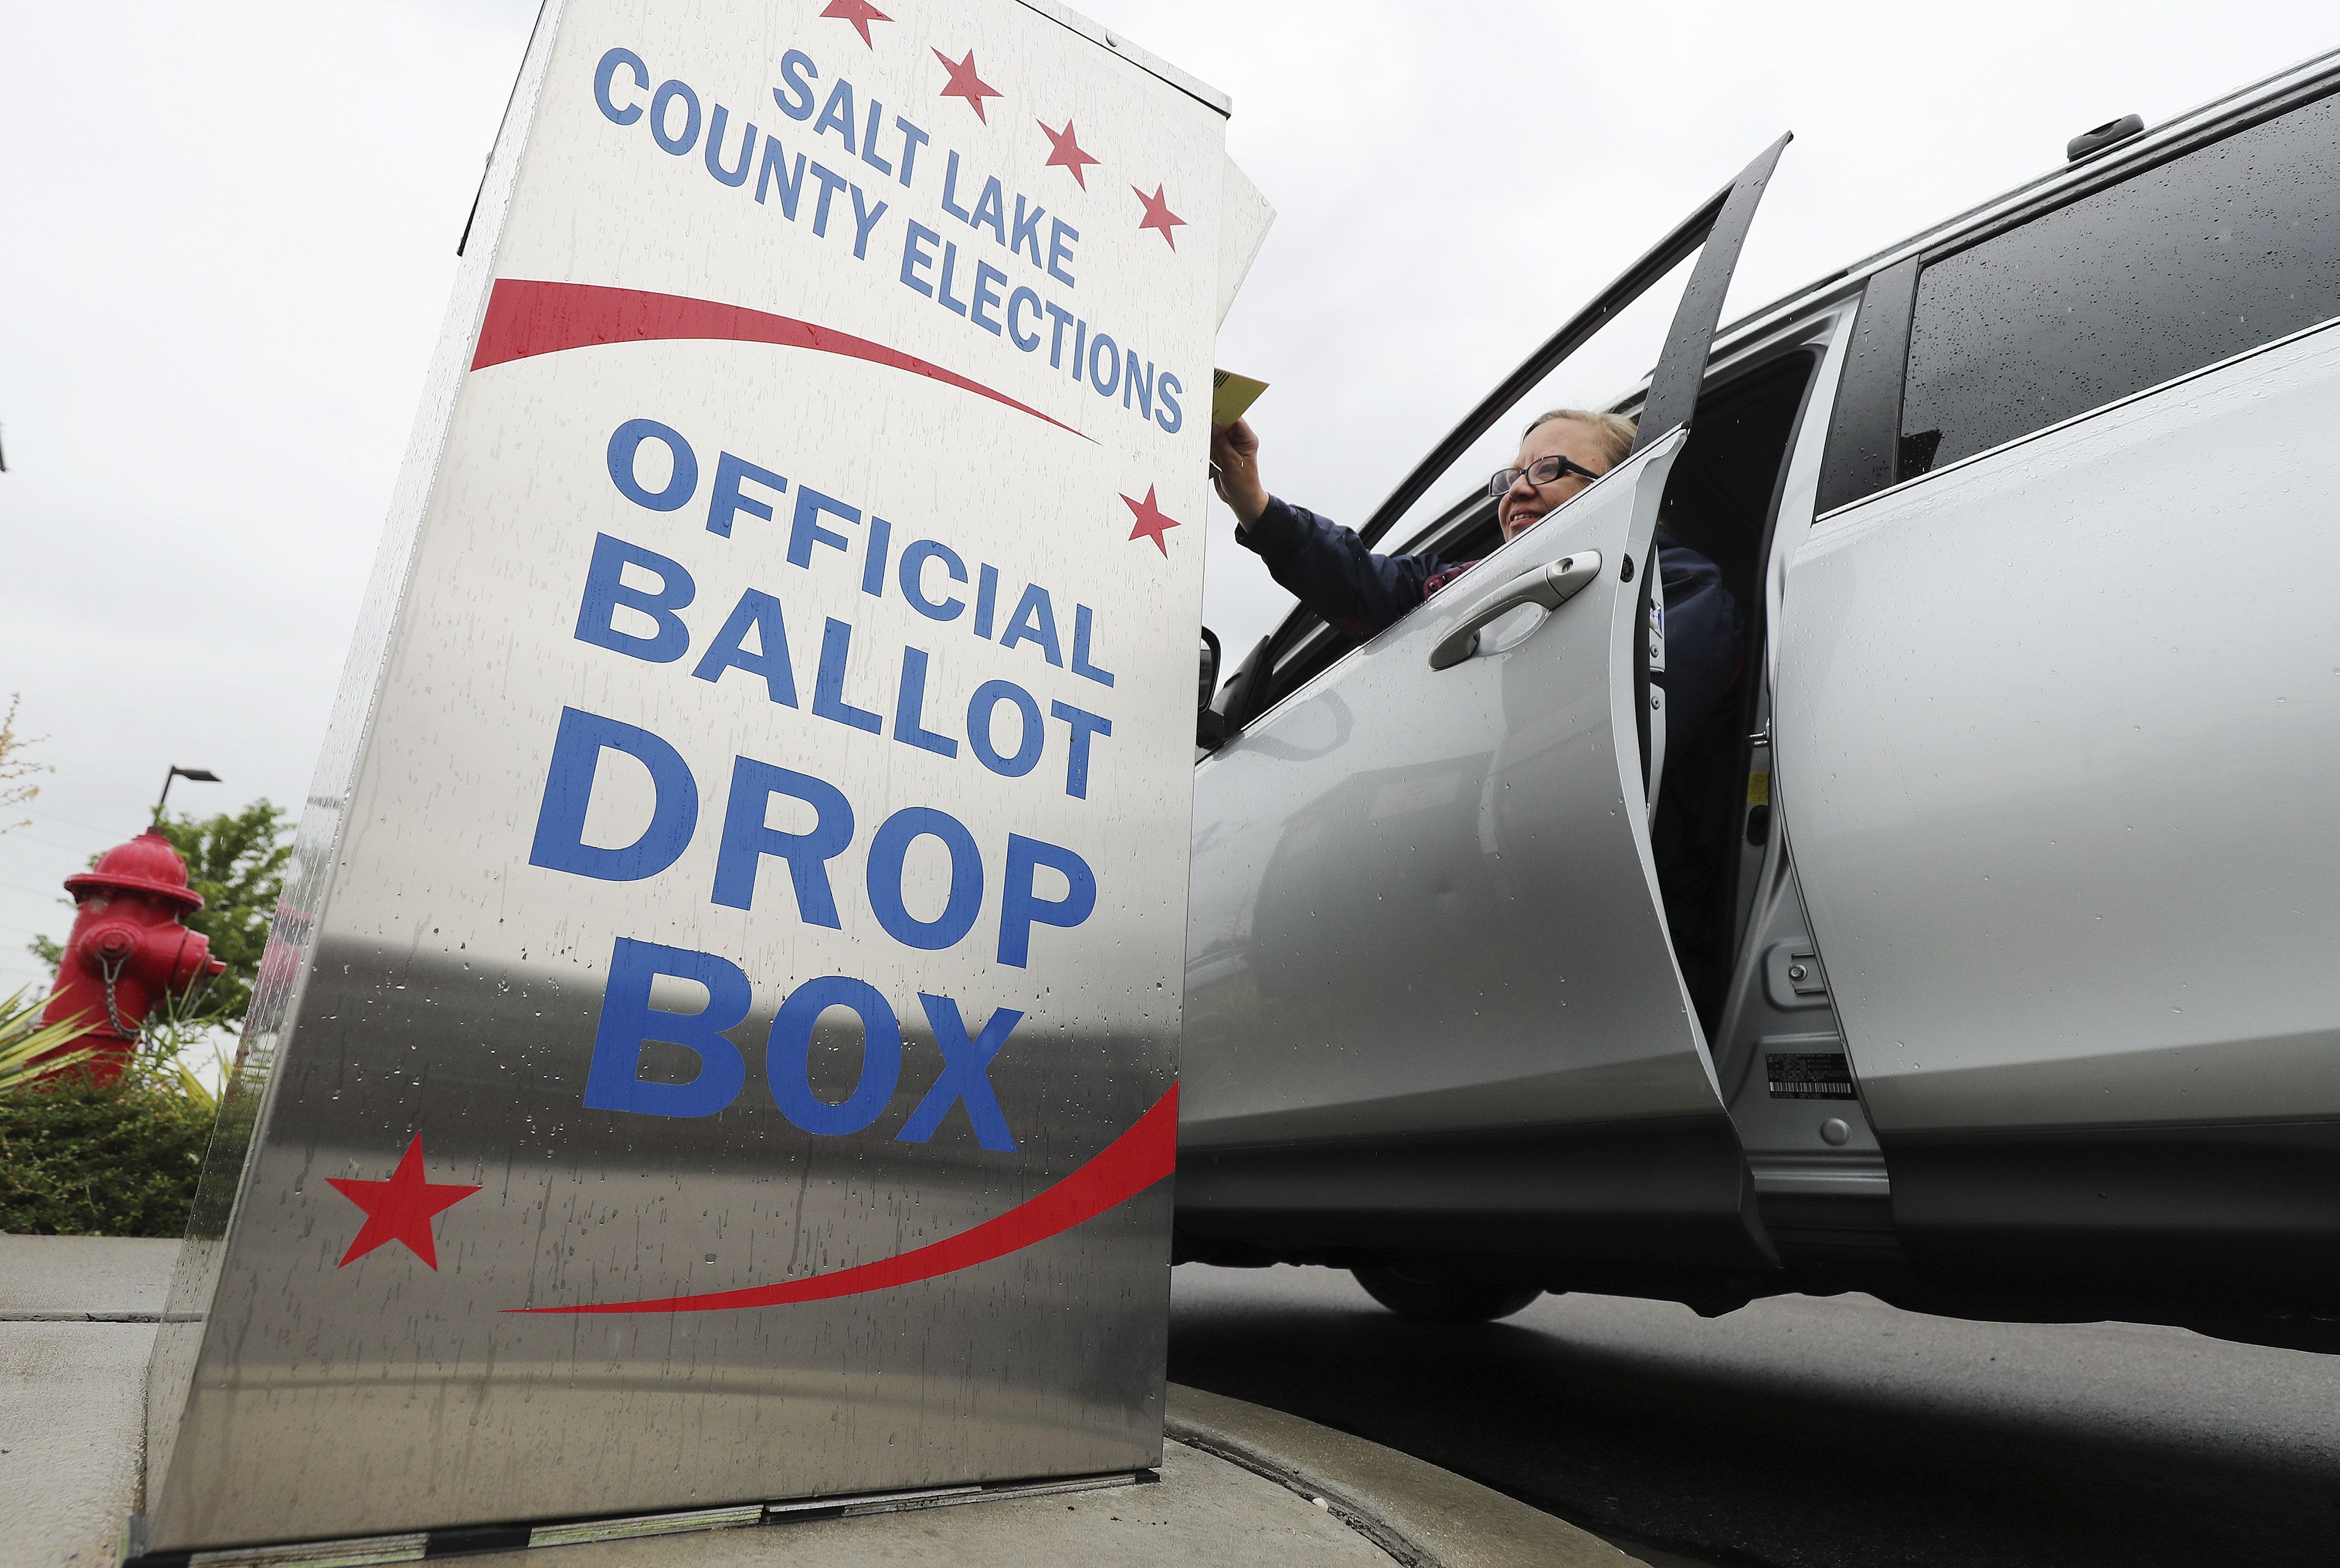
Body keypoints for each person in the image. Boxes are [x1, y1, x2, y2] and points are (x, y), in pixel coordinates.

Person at [1207, 409, 1744, 752]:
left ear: (1626, 483)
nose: (1518, 491)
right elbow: (1360, 581)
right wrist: (1251, 501)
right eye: (1511, 478)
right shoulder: (1467, 587)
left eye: (1547, 470)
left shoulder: (1681, 588)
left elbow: (1616, 735)